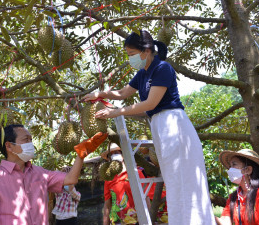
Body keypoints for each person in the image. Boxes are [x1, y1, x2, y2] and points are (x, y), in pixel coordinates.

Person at [83, 30, 215, 224]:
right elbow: (122, 92)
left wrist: (116, 112)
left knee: (185, 180)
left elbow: (151, 103)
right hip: (159, 126)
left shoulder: (163, 68)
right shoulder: (142, 73)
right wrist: (99, 94)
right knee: (174, 182)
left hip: (174, 125)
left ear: (145, 51)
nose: (130, 59)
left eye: (131, 54)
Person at [0, 124, 107, 225]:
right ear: (9, 146)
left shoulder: (40, 173)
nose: (31, 144)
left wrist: (81, 154)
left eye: (31, 139)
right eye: (26, 140)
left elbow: (71, 178)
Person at [101, 143, 151, 225]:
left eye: (116, 152)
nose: (114, 156)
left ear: (123, 154)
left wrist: (149, 220)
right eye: (111, 154)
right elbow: (107, 205)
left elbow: (146, 198)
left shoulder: (136, 173)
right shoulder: (109, 179)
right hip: (117, 221)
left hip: (137, 220)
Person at [216, 149, 259, 225]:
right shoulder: (233, 197)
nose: (230, 169)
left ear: (248, 170)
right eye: (230, 166)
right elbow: (225, 222)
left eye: (234, 164)